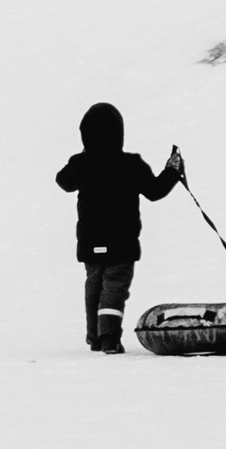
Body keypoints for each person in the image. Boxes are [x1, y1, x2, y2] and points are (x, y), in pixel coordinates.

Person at [55, 103, 184, 353]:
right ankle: (109, 338)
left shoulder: (80, 163)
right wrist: (172, 171)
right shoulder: (131, 164)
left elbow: (63, 181)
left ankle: (95, 337)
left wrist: (84, 154)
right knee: (114, 287)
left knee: (94, 285)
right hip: (121, 241)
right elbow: (155, 192)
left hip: (90, 240)